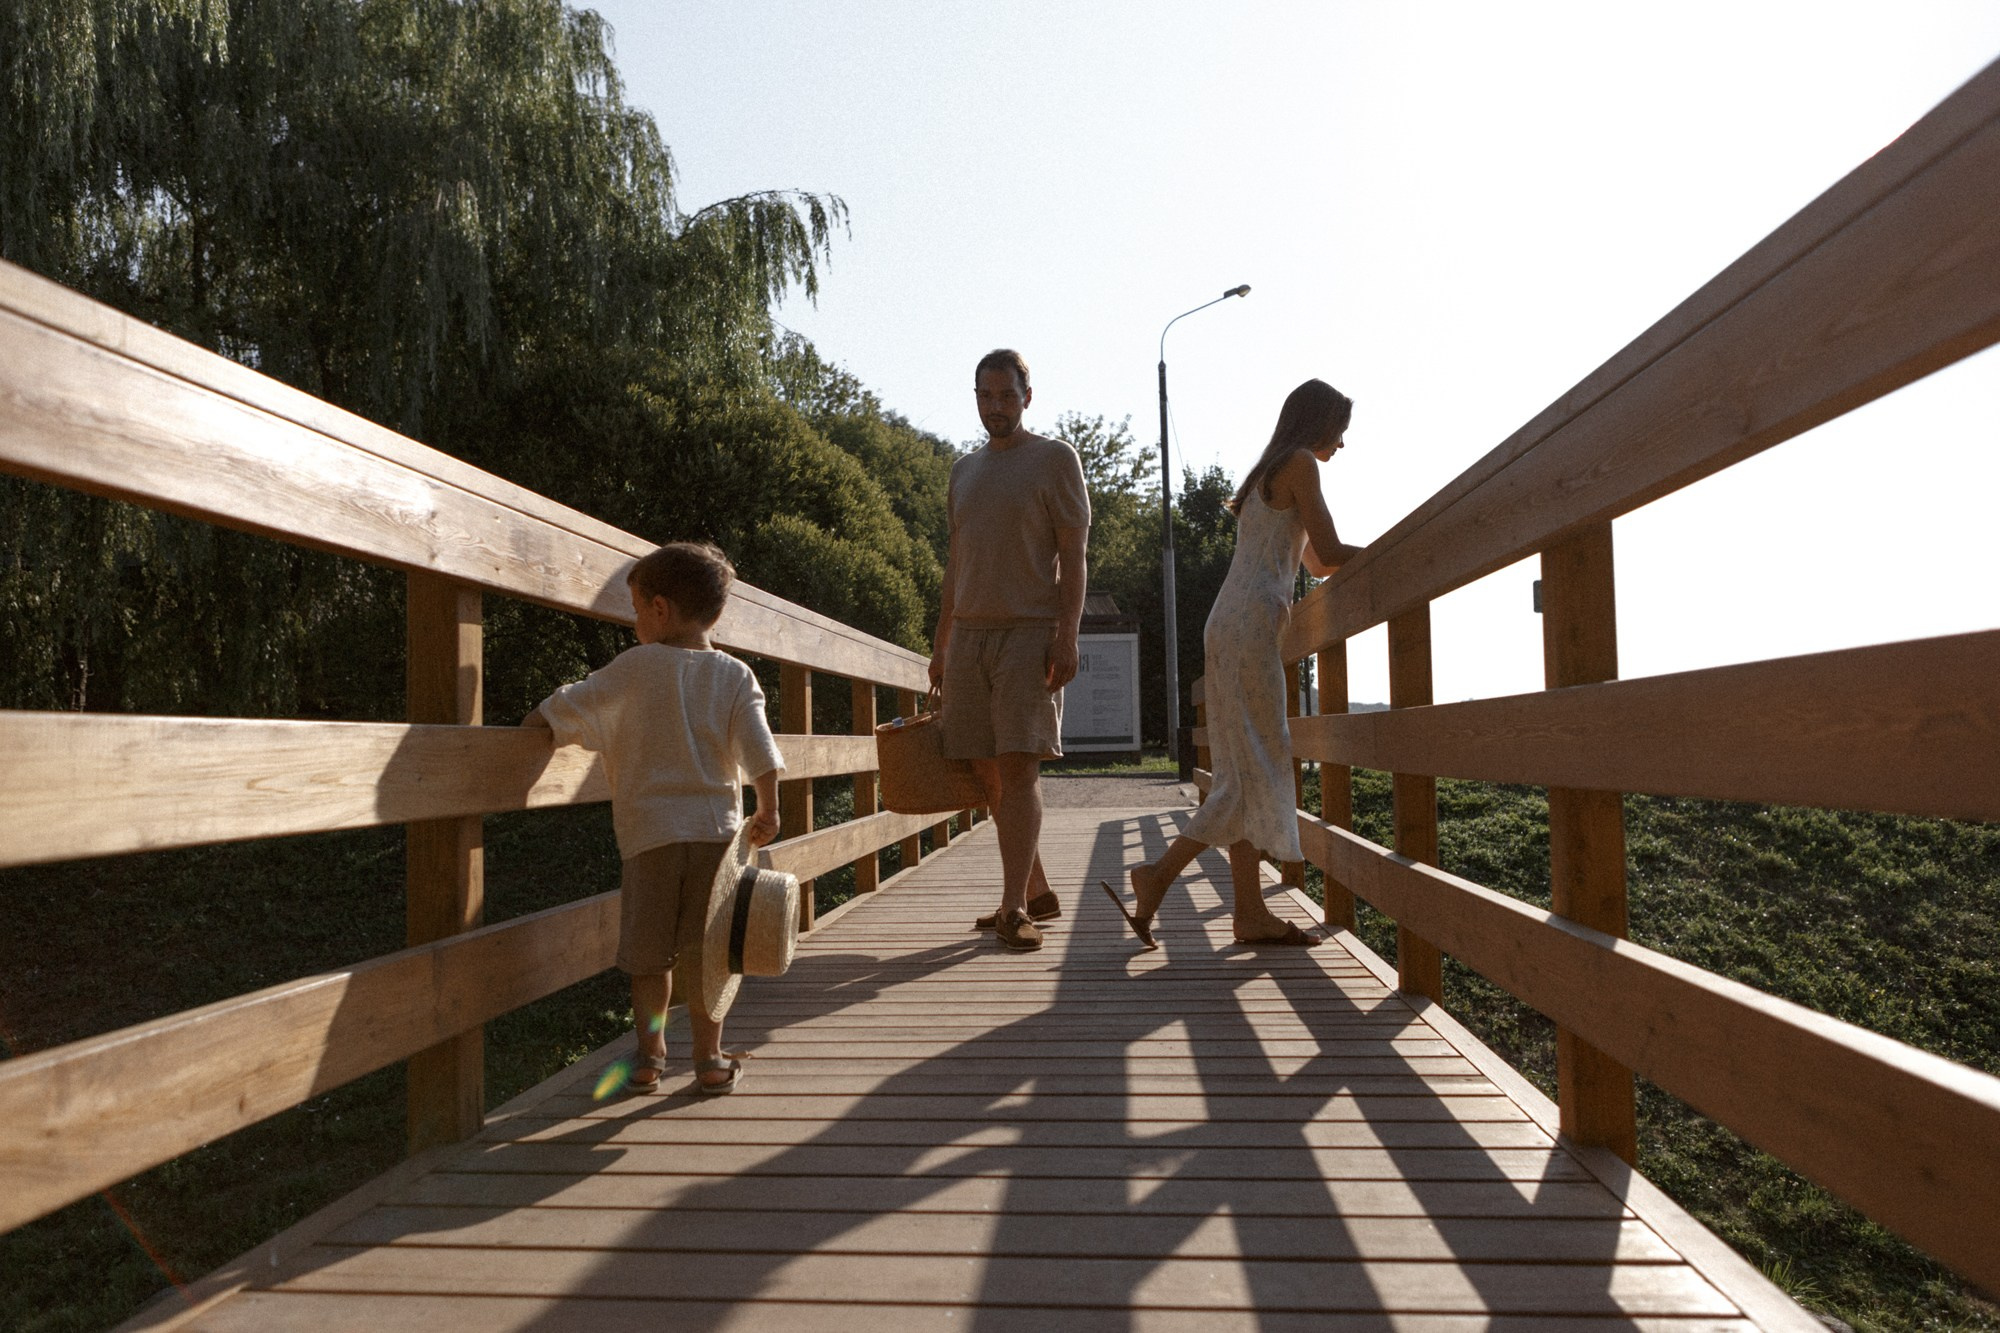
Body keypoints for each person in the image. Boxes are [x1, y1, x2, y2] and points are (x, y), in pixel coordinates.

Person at [1104, 378, 1362, 948]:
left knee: (1243, 769)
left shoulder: (1271, 468)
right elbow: (1336, 550)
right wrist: (1401, 549)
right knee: (1258, 768)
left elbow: (1316, 564)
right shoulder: (1300, 463)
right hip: (1248, 630)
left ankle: (1248, 913)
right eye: (1340, 431)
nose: (1342, 444)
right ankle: (1157, 876)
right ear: (1319, 422)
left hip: (1231, 625)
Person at [524, 541, 784, 1092]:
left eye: (638, 608)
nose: (636, 621)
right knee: (709, 955)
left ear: (660, 609)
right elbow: (760, 749)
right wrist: (768, 807)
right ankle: (710, 1061)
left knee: (649, 957)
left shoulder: (634, 668)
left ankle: (649, 1059)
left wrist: (530, 726)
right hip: (716, 839)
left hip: (650, 837)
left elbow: (565, 708)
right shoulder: (735, 675)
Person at [932, 348, 1091, 952]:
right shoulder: (963, 470)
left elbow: (1074, 555)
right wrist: (942, 644)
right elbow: (957, 565)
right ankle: (1038, 888)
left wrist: (1067, 632)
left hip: (1030, 632)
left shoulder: (1054, 460)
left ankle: (1013, 907)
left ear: (1027, 396)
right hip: (969, 635)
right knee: (982, 766)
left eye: (1006, 394)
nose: (995, 406)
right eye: (984, 395)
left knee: (1020, 765)